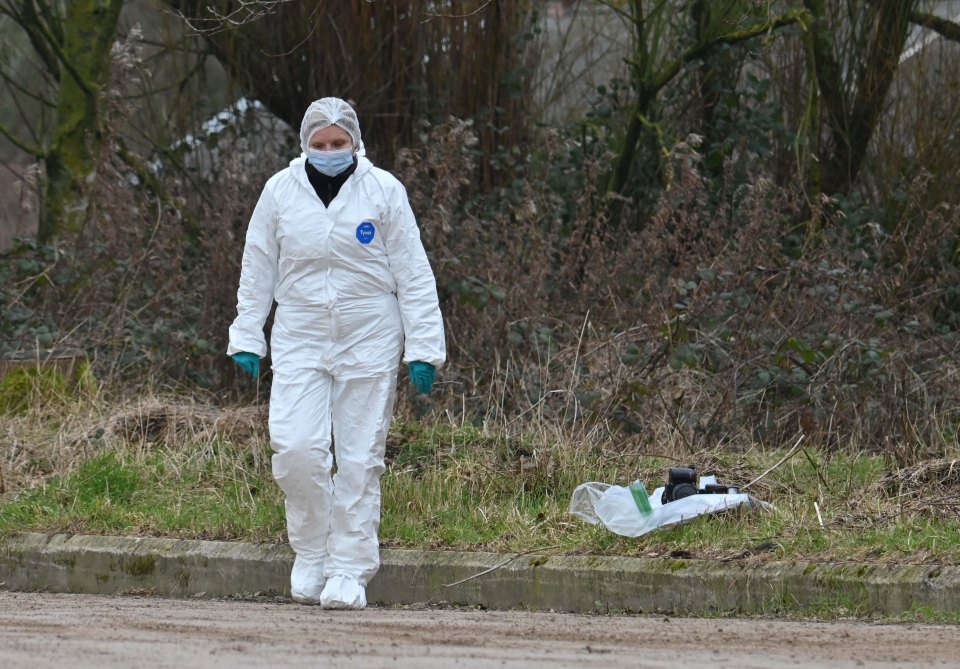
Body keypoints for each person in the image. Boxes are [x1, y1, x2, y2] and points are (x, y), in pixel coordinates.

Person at [227, 97, 445, 609]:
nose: (328, 152)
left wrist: (424, 348)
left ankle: (349, 566)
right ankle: (311, 552)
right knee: (295, 446)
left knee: (358, 454)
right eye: (319, 145)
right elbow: (258, 265)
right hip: (299, 332)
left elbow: (413, 272)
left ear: (355, 142)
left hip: (369, 331)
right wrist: (247, 334)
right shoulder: (280, 192)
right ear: (303, 146)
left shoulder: (384, 191)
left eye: (337, 143)